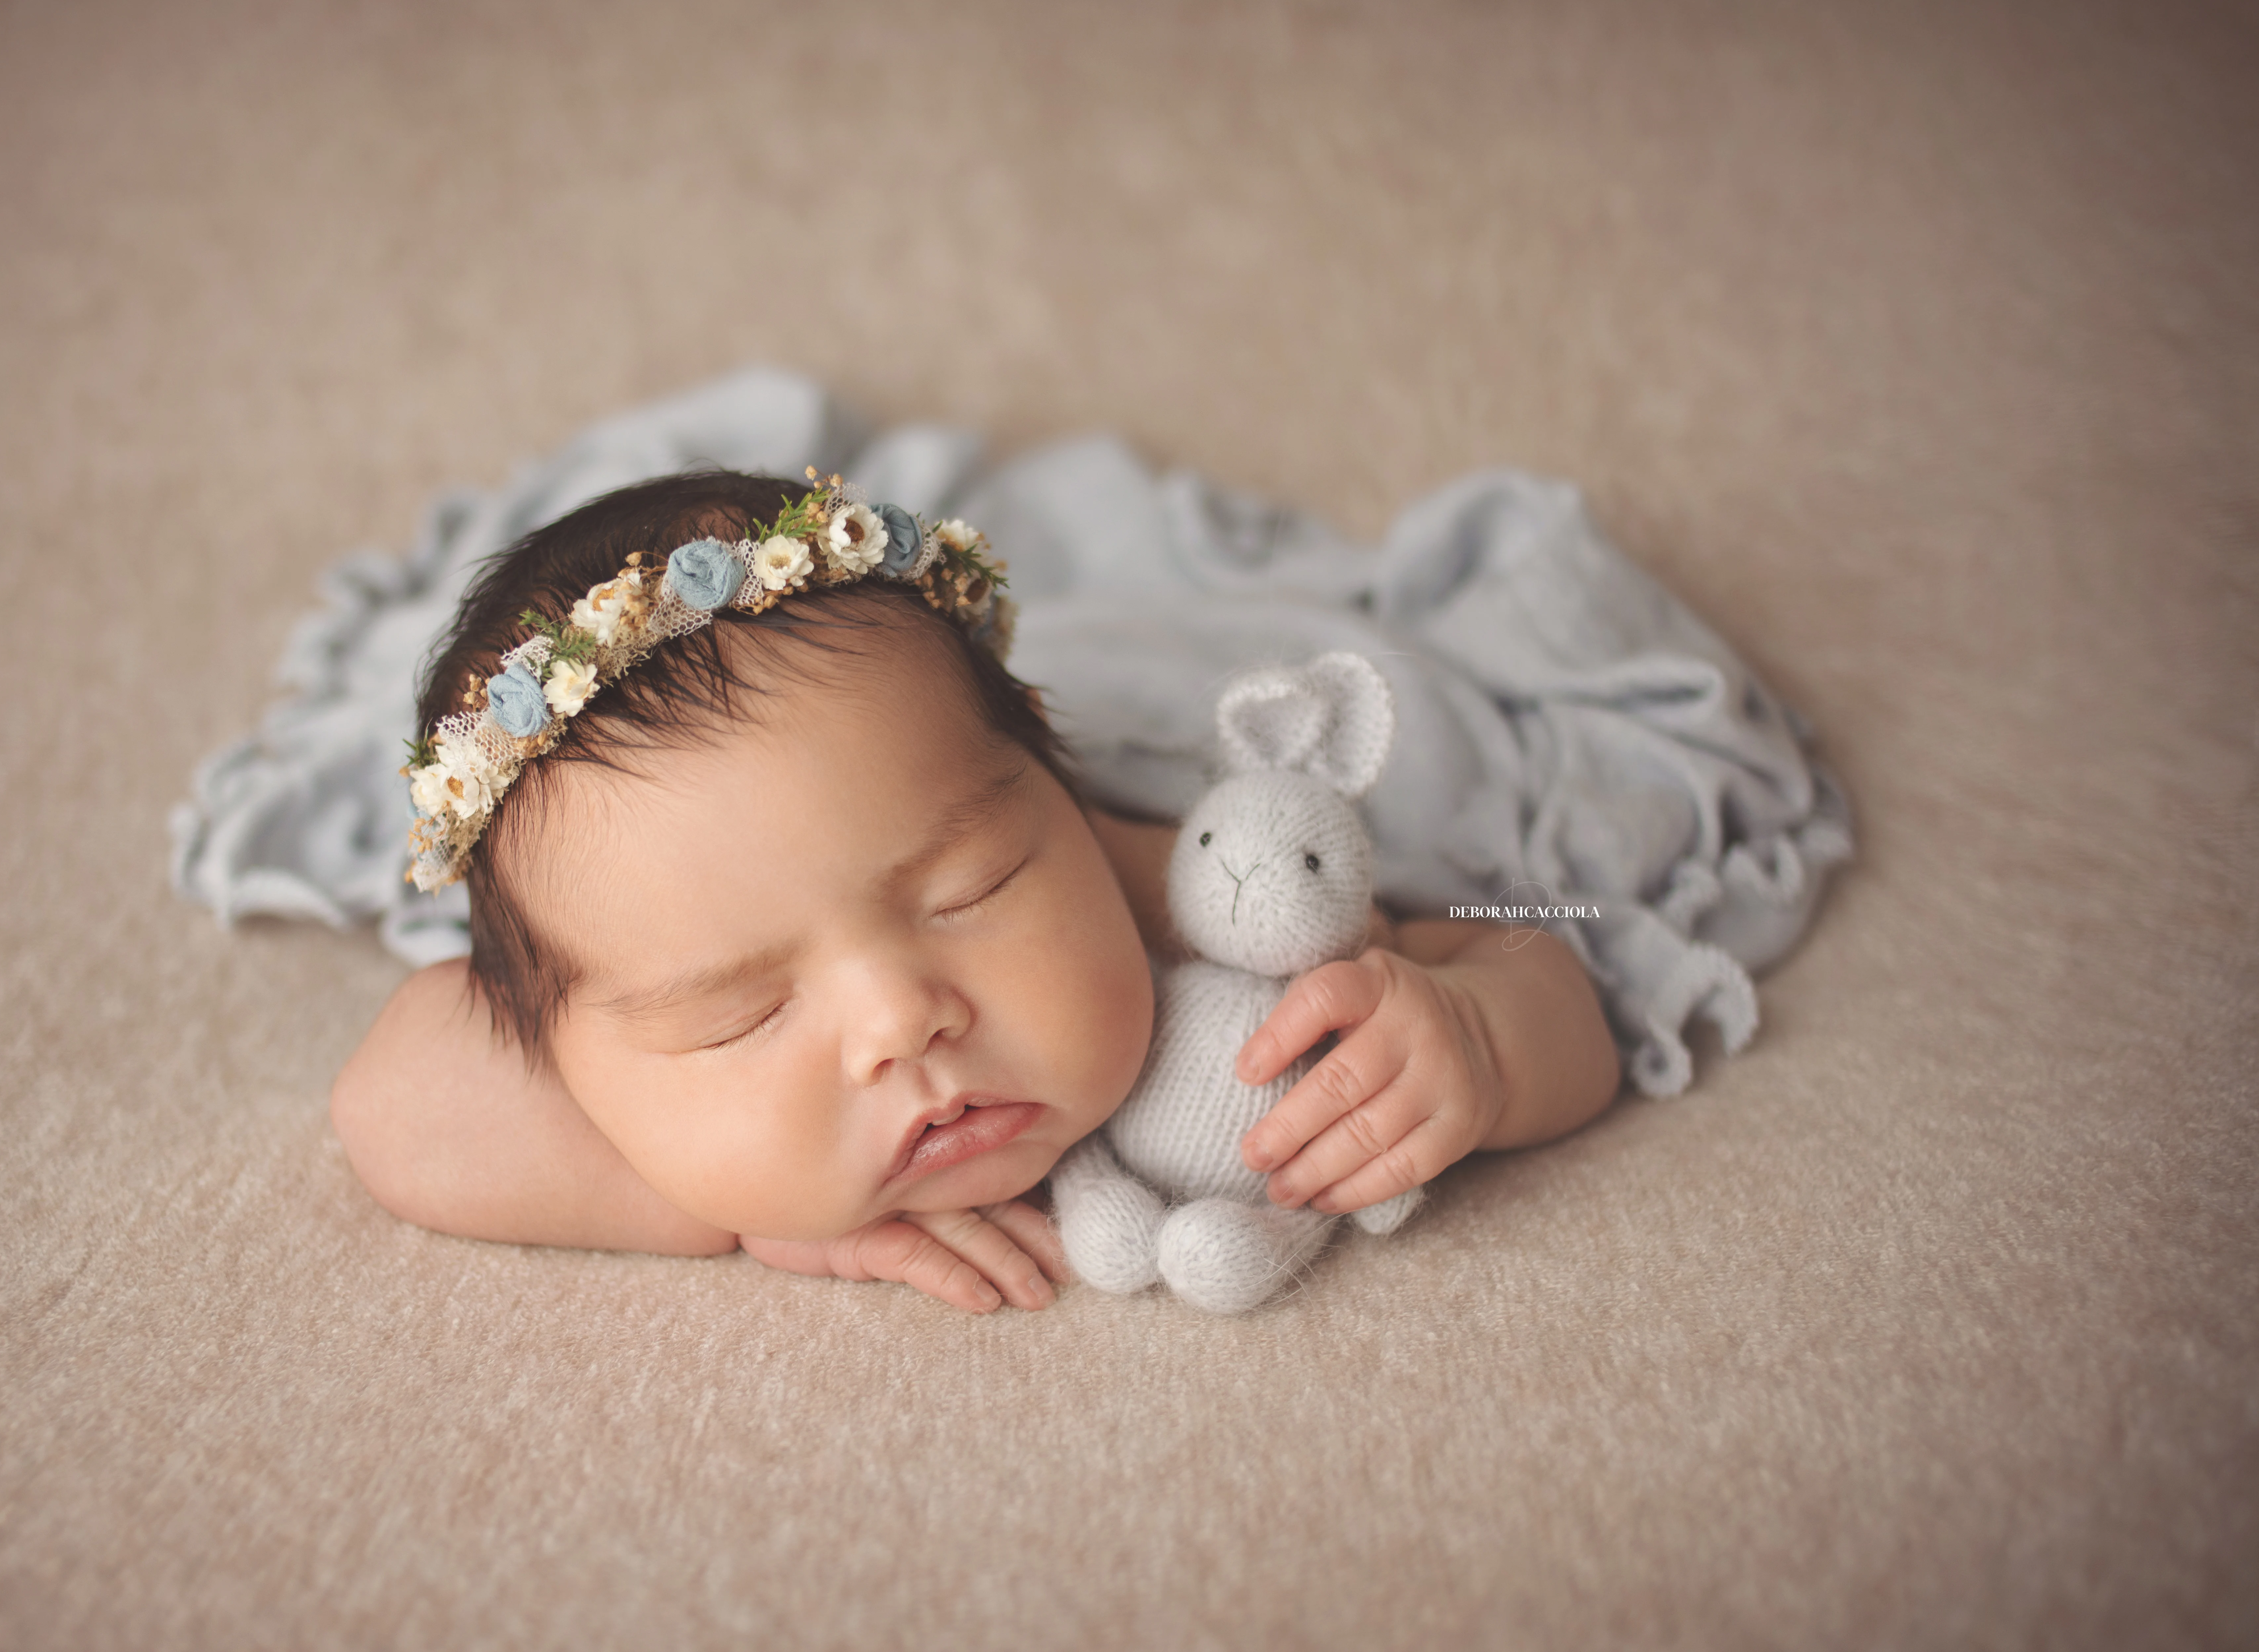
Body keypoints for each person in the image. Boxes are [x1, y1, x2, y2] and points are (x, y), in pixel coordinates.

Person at [330, 468, 1620, 1313]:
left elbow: (1539, 946)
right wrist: (737, 1204)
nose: (901, 1020)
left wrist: (1483, 1041)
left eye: (972, 890)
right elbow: (395, 1106)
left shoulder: (1172, 877)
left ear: (1055, 813)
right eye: (737, 1015)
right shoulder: (617, 950)